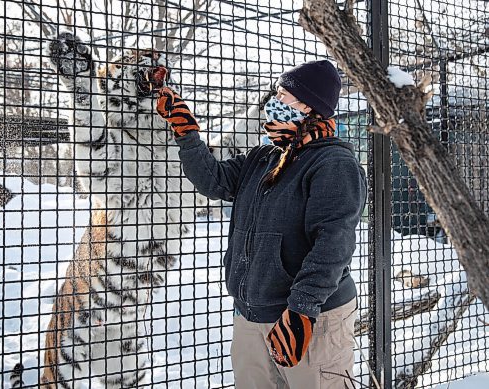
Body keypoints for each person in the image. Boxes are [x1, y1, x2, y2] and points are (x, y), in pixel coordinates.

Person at [155, 60, 367, 389]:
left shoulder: (334, 163)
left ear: (309, 105)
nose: (273, 103)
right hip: (252, 314)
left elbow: (332, 245)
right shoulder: (264, 157)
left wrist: (302, 311)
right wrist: (187, 132)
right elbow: (215, 181)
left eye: (282, 96)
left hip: (311, 318)